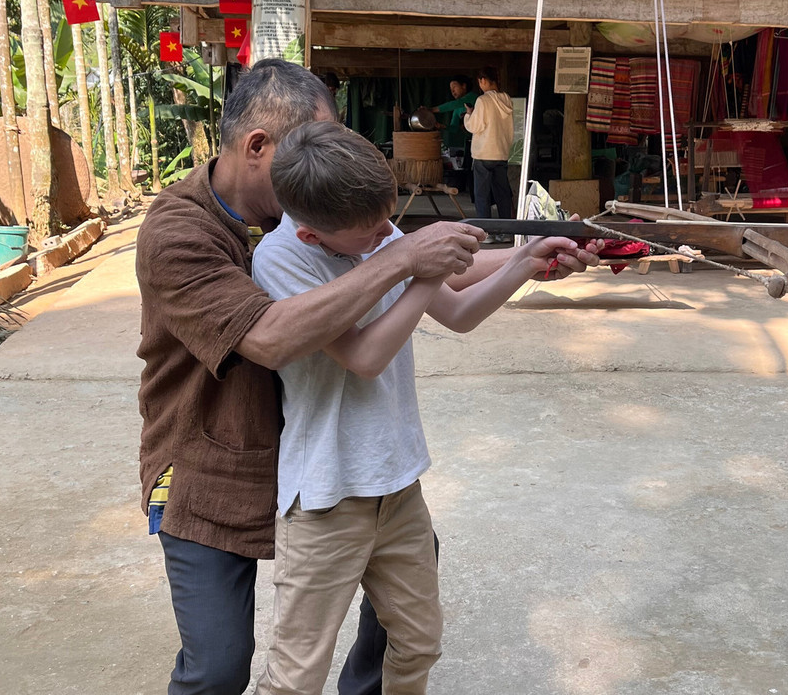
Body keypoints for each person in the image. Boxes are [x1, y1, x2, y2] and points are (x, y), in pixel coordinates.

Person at [134, 58, 601, 695]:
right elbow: (276, 336)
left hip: (370, 470)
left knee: (408, 630)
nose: (322, 156)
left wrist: (525, 257)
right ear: (259, 148)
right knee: (221, 666)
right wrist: (408, 258)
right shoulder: (184, 232)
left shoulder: (325, 205)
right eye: (309, 144)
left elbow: (419, 271)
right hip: (212, 461)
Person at [249, 121, 590, 695]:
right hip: (327, 495)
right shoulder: (282, 259)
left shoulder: (373, 234)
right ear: (312, 235)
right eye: (373, 231)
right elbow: (364, 356)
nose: (388, 233)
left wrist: (526, 261)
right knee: (295, 674)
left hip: (397, 483)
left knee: (418, 643)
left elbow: (457, 312)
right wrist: (418, 268)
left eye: (390, 221)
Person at [464, 66, 515, 230]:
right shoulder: (506, 99)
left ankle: (486, 232)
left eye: (480, 82)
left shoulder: (483, 100)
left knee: (482, 195)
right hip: (501, 153)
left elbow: (474, 126)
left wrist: (469, 114)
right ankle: (508, 231)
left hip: (484, 153)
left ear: (483, 81)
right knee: (503, 194)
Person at [427, 74, 478, 155]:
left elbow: (454, 104)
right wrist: (441, 126)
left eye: (454, 87)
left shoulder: (473, 97)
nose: (452, 91)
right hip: (471, 142)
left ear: (464, 86)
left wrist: (430, 110)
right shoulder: (457, 108)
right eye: (451, 89)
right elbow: (454, 128)